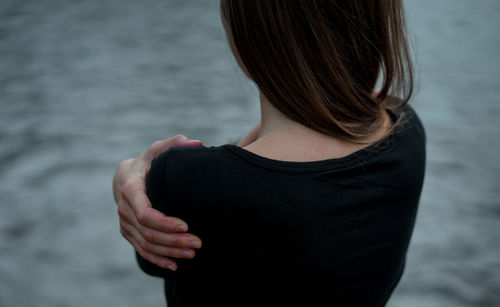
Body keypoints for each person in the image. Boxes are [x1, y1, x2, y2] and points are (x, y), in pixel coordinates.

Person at [113, 0, 425, 306]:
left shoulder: (188, 181)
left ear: (250, 24)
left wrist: (130, 174)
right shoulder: (405, 130)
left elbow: (157, 258)